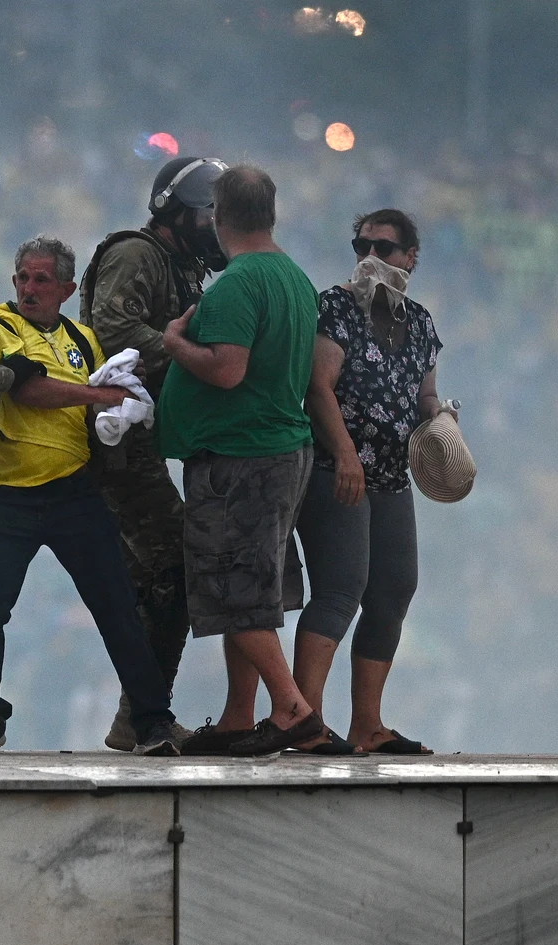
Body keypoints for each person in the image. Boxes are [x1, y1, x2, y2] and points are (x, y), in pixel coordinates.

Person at [0, 236, 182, 757]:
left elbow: (110, 387)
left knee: (118, 605)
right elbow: (26, 390)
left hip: (74, 492)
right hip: (6, 494)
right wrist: (103, 397)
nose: (29, 289)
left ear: (66, 288)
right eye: (22, 279)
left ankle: (152, 721)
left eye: (40, 280)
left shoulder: (84, 339)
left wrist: (125, 401)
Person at [158, 164, 354, 757]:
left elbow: (227, 368)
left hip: (240, 455)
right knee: (251, 587)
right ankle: (238, 715)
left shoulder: (237, 283)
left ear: (217, 218)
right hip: (281, 449)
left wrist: (174, 344)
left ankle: (291, 709)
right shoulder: (293, 277)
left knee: (232, 587)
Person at [79, 156, 227, 751]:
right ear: (180, 211)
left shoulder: (180, 266)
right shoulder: (136, 255)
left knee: (159, 580)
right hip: (118, 442)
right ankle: (145, 716)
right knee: (174, 565)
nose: (218, 226)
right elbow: (112, 331)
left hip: (142, 442)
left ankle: (141, 715)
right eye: (210, 213)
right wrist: (183, 349)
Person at [294, 209, 443, 755]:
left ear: (410, 258)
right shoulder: (336, 307)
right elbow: (319, 386)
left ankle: (368, 725)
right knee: (340, 589)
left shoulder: (421, 323)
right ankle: (304, 720)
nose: (371, 257)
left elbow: (424, 394)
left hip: (390, 472)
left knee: (393, 589)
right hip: (338, 469)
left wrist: (441, 420)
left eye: (385, 248)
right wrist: (345, 452)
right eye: (362, 246)